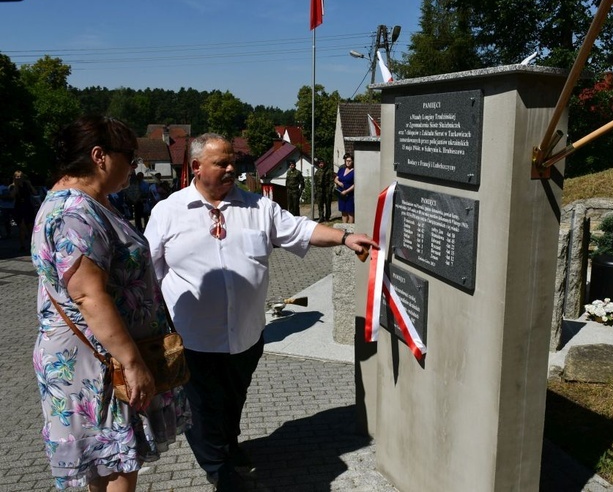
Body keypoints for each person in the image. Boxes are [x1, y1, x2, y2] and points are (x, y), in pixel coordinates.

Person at [144, 133, 377, 490]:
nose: (231, 168)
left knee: (233, 401)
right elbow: (150, 273)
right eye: (222, 162)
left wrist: (344, 238)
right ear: (196, 167)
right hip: (194, 339)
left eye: (233, 161)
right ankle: (219, 470)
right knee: (203, 410)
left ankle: (229, 445)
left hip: (246, 336)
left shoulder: (258, 207)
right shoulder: (167, 212)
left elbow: (300, 229)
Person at [30, 115, 190, 491]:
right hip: (98, 360)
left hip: (98, 356)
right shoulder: (76, 212)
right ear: (100, 156)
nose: (134, 167)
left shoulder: (88, 204)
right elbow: (88, 294)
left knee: (108, 463)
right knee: (116, 463)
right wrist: (133, 364)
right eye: (129, 157)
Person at [9, 170, 38, 251]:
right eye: (17, 176)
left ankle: (32, 244)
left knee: (31, 226)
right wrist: (16, 186)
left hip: (28, 206)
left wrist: (30, 185)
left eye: (20, 176)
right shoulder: (12, 186)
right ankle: (22, 245)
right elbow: (12, 196)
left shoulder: (26, 185)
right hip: (19, 207)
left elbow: (35, 193)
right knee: (22, 227)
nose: (19, 178)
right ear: (14, 177)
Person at [334, 153, 355, 223]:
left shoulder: (354, 171)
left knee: (350, 212)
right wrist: (338, 182)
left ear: (352, 161)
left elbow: (355, 184)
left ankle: (350, 229)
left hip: (349, 194)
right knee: (343, 211)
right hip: (341, 194)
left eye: (349, 161)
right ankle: (344, 227)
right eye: (346, 161)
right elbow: (336, 179)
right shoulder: (342, 170)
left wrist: (346, 191)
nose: (348, 162)